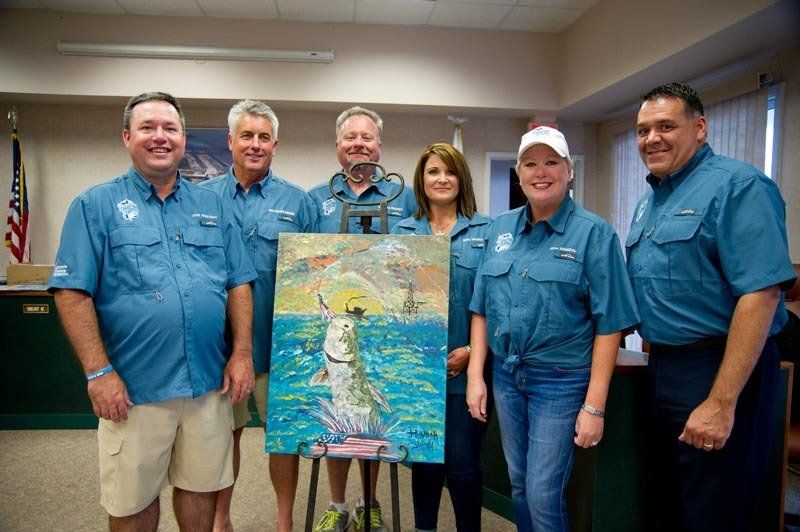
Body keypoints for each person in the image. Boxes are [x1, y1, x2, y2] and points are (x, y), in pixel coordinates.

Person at [48, 92, 257, 531]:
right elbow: (71, 292)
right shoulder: (95, 206)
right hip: (135, 390)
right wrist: (98, 372)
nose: (160, 137)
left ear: (184, 139)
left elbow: (238, 280)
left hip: (205, 384)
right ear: (127, 137)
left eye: (170, 128)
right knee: (132, 503)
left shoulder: (213, 206)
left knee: (201, 489)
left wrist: (241, 353)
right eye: (148, 128)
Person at [626, 82, 796, 531]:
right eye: (643, 130)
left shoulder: (738, 185)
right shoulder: (650, 201)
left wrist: (721, 402)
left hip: (720, 365)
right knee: (668, 503)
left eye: (666, 126)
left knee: (714, 511)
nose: (652, 138)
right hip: (663, 366)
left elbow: (761, 294)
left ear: (699, 128)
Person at [467, 126, 639, 531]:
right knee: (520, 485)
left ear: (569, 170)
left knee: (544, 492)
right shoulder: (499, 229)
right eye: (530, 163)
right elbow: (481, 308)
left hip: (560, 381)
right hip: (507, 377)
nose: (540, 172)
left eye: (551, 162)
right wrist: (477, 375)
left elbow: (610, 324)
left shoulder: (594, 233)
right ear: (518, 172)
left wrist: (594, 406)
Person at [201, 100, 318, 532]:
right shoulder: (201, 199)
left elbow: (313, 276)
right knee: (220, 438)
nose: (255, 145)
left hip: (279, 345)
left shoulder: (298, 203)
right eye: (246, 136)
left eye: (263, 137)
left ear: (275, 144)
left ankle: (284, 523)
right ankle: (220, 520)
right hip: (217, 346)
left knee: (282, 440)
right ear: (230, 142)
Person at [308, 106, 416, 531]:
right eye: (350, 137)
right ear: (338, 147)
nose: (358, 144)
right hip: (337, 321)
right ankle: (337, 504)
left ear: (379, 146)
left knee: (367, 409)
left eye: (367, 138)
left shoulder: (405, 199)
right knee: (339, 405)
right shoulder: (314, 199)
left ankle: (370, 501)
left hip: (384, 319)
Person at [392, 143, 491, 531]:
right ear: (422, 179)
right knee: (425, 461)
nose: (442, 179)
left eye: (450, 172)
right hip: (419, 371)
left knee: (464, 464)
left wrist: (470, 351)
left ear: (461, 179)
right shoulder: (403, 232)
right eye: (433, 171)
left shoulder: (487, 231)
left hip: (470, 369)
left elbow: (494, 304)